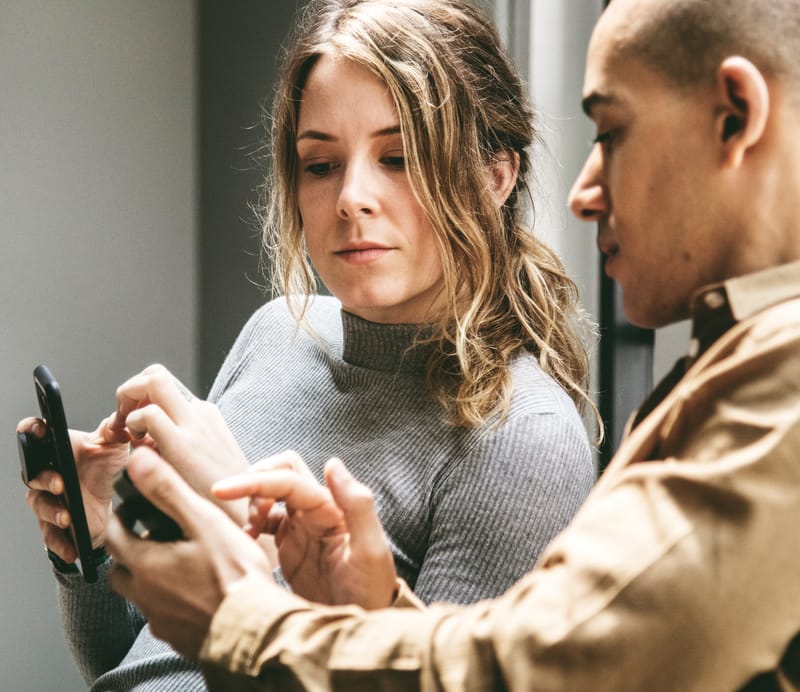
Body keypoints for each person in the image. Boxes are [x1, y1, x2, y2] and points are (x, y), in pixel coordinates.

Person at [102, 0, 800, 688]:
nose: (584, 193)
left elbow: (538, 669)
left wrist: (247, 599)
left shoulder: (774, 394)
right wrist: (372, 609)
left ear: (737, 114)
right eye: (320, 165)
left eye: (611, 133)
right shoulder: (737, 365)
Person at [20, 0, 598, 688]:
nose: (352, 197)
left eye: (398, 157)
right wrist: (90, 551)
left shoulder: (523, 438)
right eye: (320, 165)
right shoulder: (275, 335)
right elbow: (147, 664)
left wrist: (236, 522)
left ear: (496, 176)